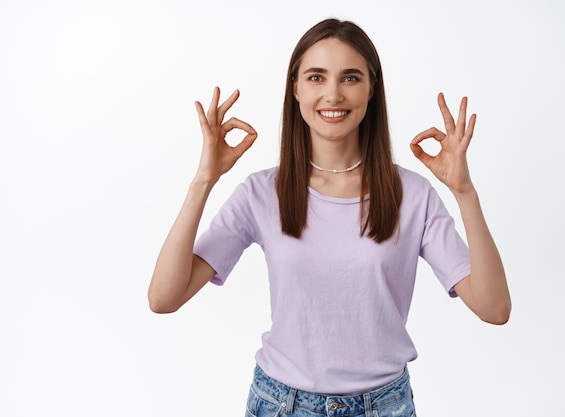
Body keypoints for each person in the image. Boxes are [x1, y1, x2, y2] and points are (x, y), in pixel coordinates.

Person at [148, 18, 511, 417]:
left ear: (372, 89)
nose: (333, 94)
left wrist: (465, 193)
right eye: (317, 77)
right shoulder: (260, 193)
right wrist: (204, 180)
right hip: (280, 405)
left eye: (351, 78)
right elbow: (165, 298)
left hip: (384, 406)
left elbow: (494, 309)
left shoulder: (413, 195)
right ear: (296, 88)